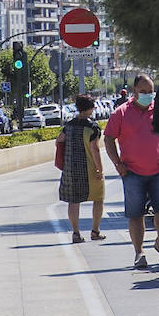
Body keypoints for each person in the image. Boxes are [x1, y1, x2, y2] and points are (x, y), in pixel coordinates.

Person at [103, 75, 159, 269]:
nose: (147, 95)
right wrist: (117, 163)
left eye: (150, 91)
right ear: (134, 91)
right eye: (143, 92)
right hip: (132, 172)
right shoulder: (121, 113)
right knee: (136, 214)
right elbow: (108, 139)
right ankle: (139, 252)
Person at [59, 94, 105, 244]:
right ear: (90, 108)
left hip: (71, 169)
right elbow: (95, 150)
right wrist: (100, 170)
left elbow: (59, 140)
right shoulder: (92, 127)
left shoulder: (69, 125)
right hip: (89, 170)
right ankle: (95, 231)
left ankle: (76, 233)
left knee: (73, 201)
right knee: (98, 198)